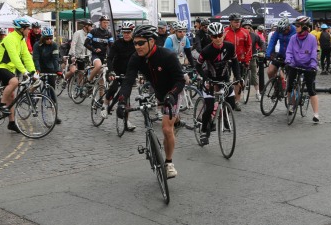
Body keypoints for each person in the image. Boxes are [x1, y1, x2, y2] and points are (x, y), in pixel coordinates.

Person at [116, 25, 186, 179]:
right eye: (135, 43)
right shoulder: (136, 58)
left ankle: (168, 163)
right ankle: (176, 119)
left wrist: (172, 95)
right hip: (159, 93)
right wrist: (121, 102)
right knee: (167, 121)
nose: (137, 46)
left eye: (141, 43)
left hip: (173, 91)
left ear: (152, 41)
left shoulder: (167, 56)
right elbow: (128, 82)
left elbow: (180, 80)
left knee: (167, 129)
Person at [195, 22, 241, 145]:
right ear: (210, 37)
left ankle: (225, 117)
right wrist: (205, 79)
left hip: (224, 78)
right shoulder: (206, 50)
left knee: (231, 102)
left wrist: (238, 77)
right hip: (210, 79)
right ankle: (204, 131)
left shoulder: (230, 47)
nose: (218, 38)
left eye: (220, 35)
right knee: (209, 108)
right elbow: (198, 66)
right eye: (214, 36)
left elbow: (235, 62)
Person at [0, 18, 36, 133]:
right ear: (22, 29)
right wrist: (24, 71)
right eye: (28, 29)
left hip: (9, 68)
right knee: (15, 82)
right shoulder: (10, 38)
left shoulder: (21, 40)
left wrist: (33, 71)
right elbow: (14, 57)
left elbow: (26, 56)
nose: (29, 31)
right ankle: (1, 104)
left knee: (12, 95)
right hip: (0, 66)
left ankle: (11, 123)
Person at [101, 21, 136, 131]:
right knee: (114, 87)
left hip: (128, 73)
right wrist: (111, 72)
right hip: (115, 71)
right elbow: (110, 58)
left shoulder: (135, 44)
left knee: (127, 96)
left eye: (128, 32)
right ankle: (105, 104)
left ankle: (127, 121)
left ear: (132, 32)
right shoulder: (117, 44)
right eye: (124, 32)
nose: (126, 34)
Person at [285, 16, 320, 123]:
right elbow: (289, 51)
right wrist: (288, 60)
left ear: (305, 27)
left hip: (308, 66)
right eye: (296, 25)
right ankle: (291, 105)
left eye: (298, 26)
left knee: (311, 90)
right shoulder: (293, 38)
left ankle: (316, 114)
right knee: (290, 86)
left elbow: (314, 53)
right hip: (295, 64)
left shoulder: (312, 38)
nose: (296, 28)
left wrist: (313, 65)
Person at [32, 27, 62, 124]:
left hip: (49, 67)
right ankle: (31, 96)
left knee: (52, 91)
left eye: (51, 38)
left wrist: (57, 70)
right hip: (38, 67)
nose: (49, 40)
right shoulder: (37, 45)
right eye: (47, 38)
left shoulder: (54, 45)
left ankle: (55, 115)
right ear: (43, 38)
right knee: (35, 82)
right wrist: (37, 69)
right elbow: (35, 58)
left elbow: (55, 58)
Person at [224, 13, 252, 111]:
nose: (238, 23)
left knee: (238, 81)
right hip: (227, 60)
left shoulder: (245, 32)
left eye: (239, 22)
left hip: (240, 60)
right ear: (230, 22)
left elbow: (249, 46)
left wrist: (247, 60)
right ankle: (226, 99)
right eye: (236, 22)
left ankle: (236, 102)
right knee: (226, 80)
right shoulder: (225, 31)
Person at [84, 15, 114, 87]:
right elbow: (86, 43)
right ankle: (88, 81)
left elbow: (112, 47)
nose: (106, 24)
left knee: (101, 79)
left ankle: (101, 97)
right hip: (95, 55)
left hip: (103, 56)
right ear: (100, 22)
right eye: (104, 22)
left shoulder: (109, 34)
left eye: (107, 22)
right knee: (98, 66)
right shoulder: (94, 31)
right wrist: (94, 49)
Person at [266, 17, 296, 81]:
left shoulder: (295, 30)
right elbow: (272, 41)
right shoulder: (279, 30)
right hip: (281, 54)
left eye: (284, 31)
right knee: (270, 71)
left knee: (290, 77)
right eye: (281, 31)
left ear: (288, 27)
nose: (282, 33)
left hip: (292, 56)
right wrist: (268, 54)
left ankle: (290, 88)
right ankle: (276, 88)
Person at [242, 19, 264, 101]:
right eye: (245, 27)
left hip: (252, 57)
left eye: (248, 27)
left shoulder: (254, 35)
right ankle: (236, 92)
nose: (247, 29)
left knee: (254, 74)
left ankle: (257, 92)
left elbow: (261, 42)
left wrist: (263, 51)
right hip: (242, 58)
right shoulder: (240, 35)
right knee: (238, 75)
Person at [66, 19, 93, 84]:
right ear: (86, 26)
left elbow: (90, 46)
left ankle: (79, 89)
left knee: (81, 73)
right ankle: (64, 79)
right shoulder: (78, 33)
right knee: (72, 71)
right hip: (75, 55)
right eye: (90, 26)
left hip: (83, 57)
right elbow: (73, 44)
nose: (91, 28)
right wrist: (73, 55)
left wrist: (90, 56)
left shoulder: (90, 35)